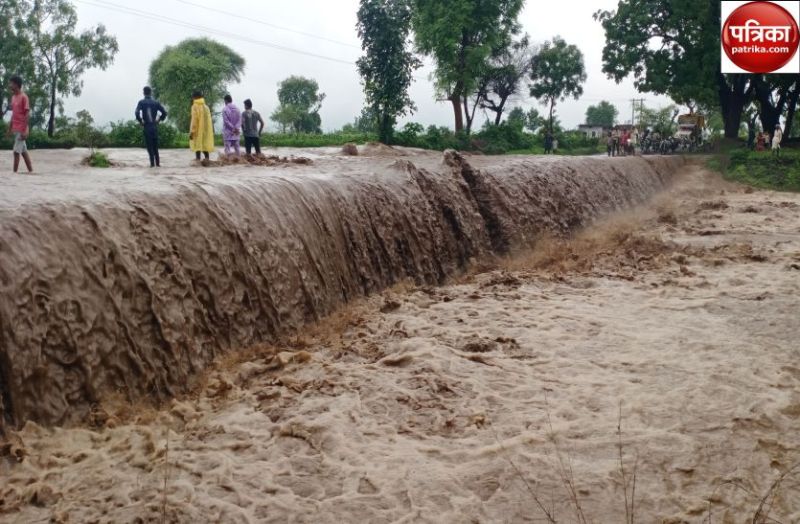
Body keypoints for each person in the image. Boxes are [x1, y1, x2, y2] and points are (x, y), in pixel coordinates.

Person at [135, 86, 168, 168]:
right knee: (155, 147)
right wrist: (159, 119)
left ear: (143, 93)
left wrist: (140, 121)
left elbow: (136, 112)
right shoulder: (156, 102)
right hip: (154, 126)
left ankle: (152, 165)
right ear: (151, 92)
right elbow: (164, 112)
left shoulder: (141, 102)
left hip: (147, 126)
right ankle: (158, 164)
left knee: (149, 147)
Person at [6, 75, 33, 173]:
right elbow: (14, 114)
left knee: (16, 152)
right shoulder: (13, 97)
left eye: (11, 83)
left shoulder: (24, 97)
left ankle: (14, 174)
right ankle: (31, 171)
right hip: (15, 128)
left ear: (17, 85)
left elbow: (26, 114)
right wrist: (9, 129)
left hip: (22, 129)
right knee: (24, 152)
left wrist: (26, 130)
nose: (10, 85)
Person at [189, 90, 214, 162]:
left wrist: (192, 132)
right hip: (206, 131)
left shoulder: (194, 106)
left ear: (195, 97)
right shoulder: (206, 107)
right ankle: (207, 159)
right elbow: (209, 121)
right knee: (204, 145)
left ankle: (198, 160)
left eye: (193, 97)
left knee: (197, 145)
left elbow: (194, 120)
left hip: (197, 130)